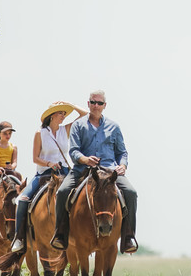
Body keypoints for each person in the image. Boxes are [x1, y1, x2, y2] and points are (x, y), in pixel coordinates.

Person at [50, 89, 138, 254]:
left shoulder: (114, 127)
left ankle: (128, 237)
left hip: (110, 170)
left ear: (105, 105)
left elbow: (122, 152)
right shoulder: (78, 125)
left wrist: (123, 165)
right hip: (83, 169)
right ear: (88, 104)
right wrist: (85, 159)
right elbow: (74, 151)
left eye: (99, 103)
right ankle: (60, 234)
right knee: (62, 192)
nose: (96, 106)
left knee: (131, 193)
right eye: (93, 102)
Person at [10, 100, 87, 253]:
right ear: (51, 116)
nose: (63, 116)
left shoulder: (65, 130)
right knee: (23, 199)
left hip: (64, 172)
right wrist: (49, 163)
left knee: (83, 195)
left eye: (64, 114)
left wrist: (69, 104)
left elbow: (85, 115)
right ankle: (19, 238)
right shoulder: (40, 133)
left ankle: (82, 234)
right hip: (44, 173)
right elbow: (35, 158)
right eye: (60, 113)